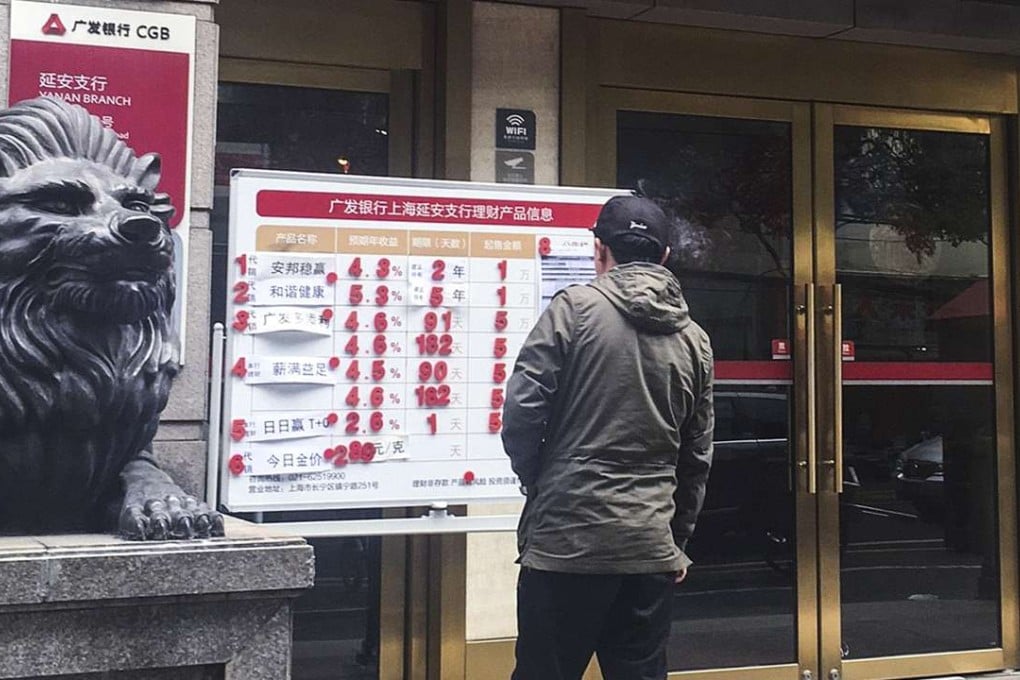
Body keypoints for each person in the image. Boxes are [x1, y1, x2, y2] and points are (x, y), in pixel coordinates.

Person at [501, 195, 714, 680]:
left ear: (598, 249)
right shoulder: (694, 339)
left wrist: (542, 481)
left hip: (566, 541)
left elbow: (522, 411)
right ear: (663, 257)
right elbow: (697, 451)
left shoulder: (572, 310)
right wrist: (677, 538)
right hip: (648, 546)